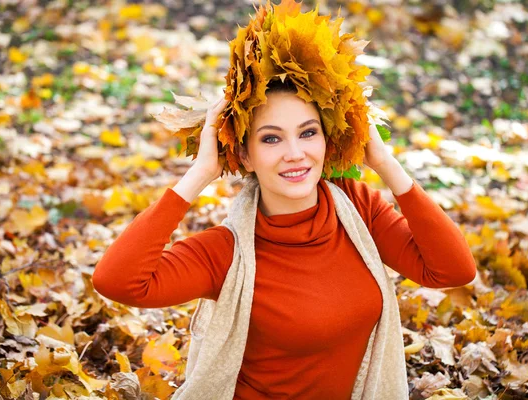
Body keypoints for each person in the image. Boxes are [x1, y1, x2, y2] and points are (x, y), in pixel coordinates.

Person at [92, 79, 477, 399]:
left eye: (308, 133)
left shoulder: (358, 208)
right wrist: (201, 173)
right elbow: (118, 281)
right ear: (244, 155)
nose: (295, 154)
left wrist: (385, 164)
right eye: (271, 139)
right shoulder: (229, 252)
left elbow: (451, 270)